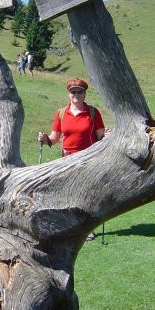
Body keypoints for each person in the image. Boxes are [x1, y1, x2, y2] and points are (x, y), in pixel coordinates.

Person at [37, 78, 106, 241]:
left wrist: (107, 136)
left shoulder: (93, 112)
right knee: (67, 193)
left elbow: (101, 137)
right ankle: (69, 225)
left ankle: (87, 228)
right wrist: (45, 138)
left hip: (88, 158)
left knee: (86, 195)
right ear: (69, 94)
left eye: (79, 91)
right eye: (73, 91)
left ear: (84, 93)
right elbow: (54, 139)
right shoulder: (61, 113)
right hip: (66, 159)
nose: (76, 94)